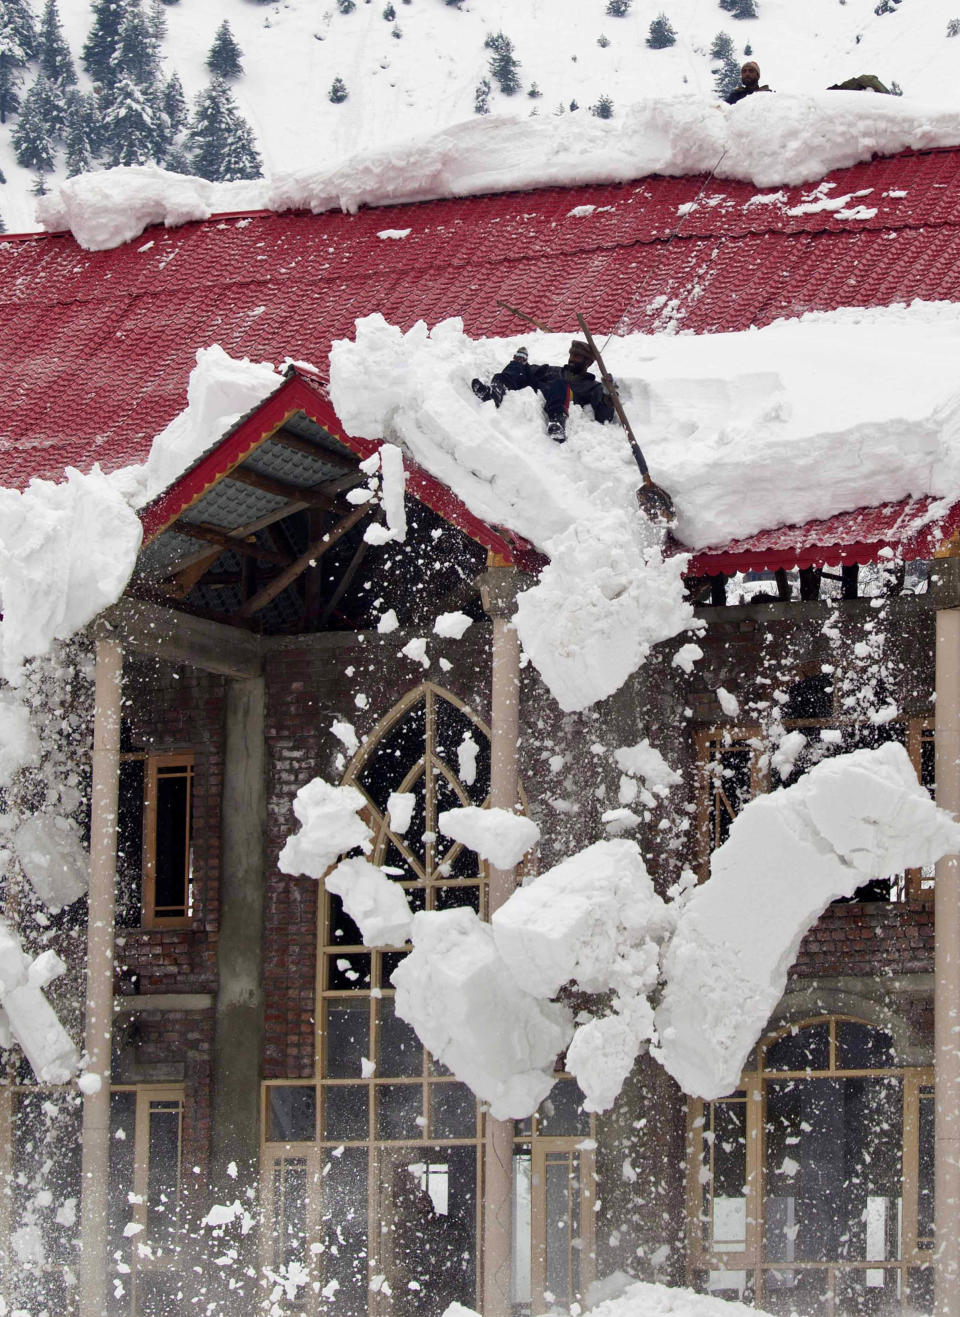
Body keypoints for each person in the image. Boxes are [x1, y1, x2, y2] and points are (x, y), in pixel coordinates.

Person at [471, 339, 616, 443]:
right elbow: (529, 372)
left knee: (560, 384)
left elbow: (604, 418)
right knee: (519, 367)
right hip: (539, 391)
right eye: (571, 355)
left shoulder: (591, 386)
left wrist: (608, 393)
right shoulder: (554, 370)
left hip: (560, 399)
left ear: (588, 362)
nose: (571, 359)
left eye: (577, 357)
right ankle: (495, 393)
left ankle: (557, 422)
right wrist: (519, 364)